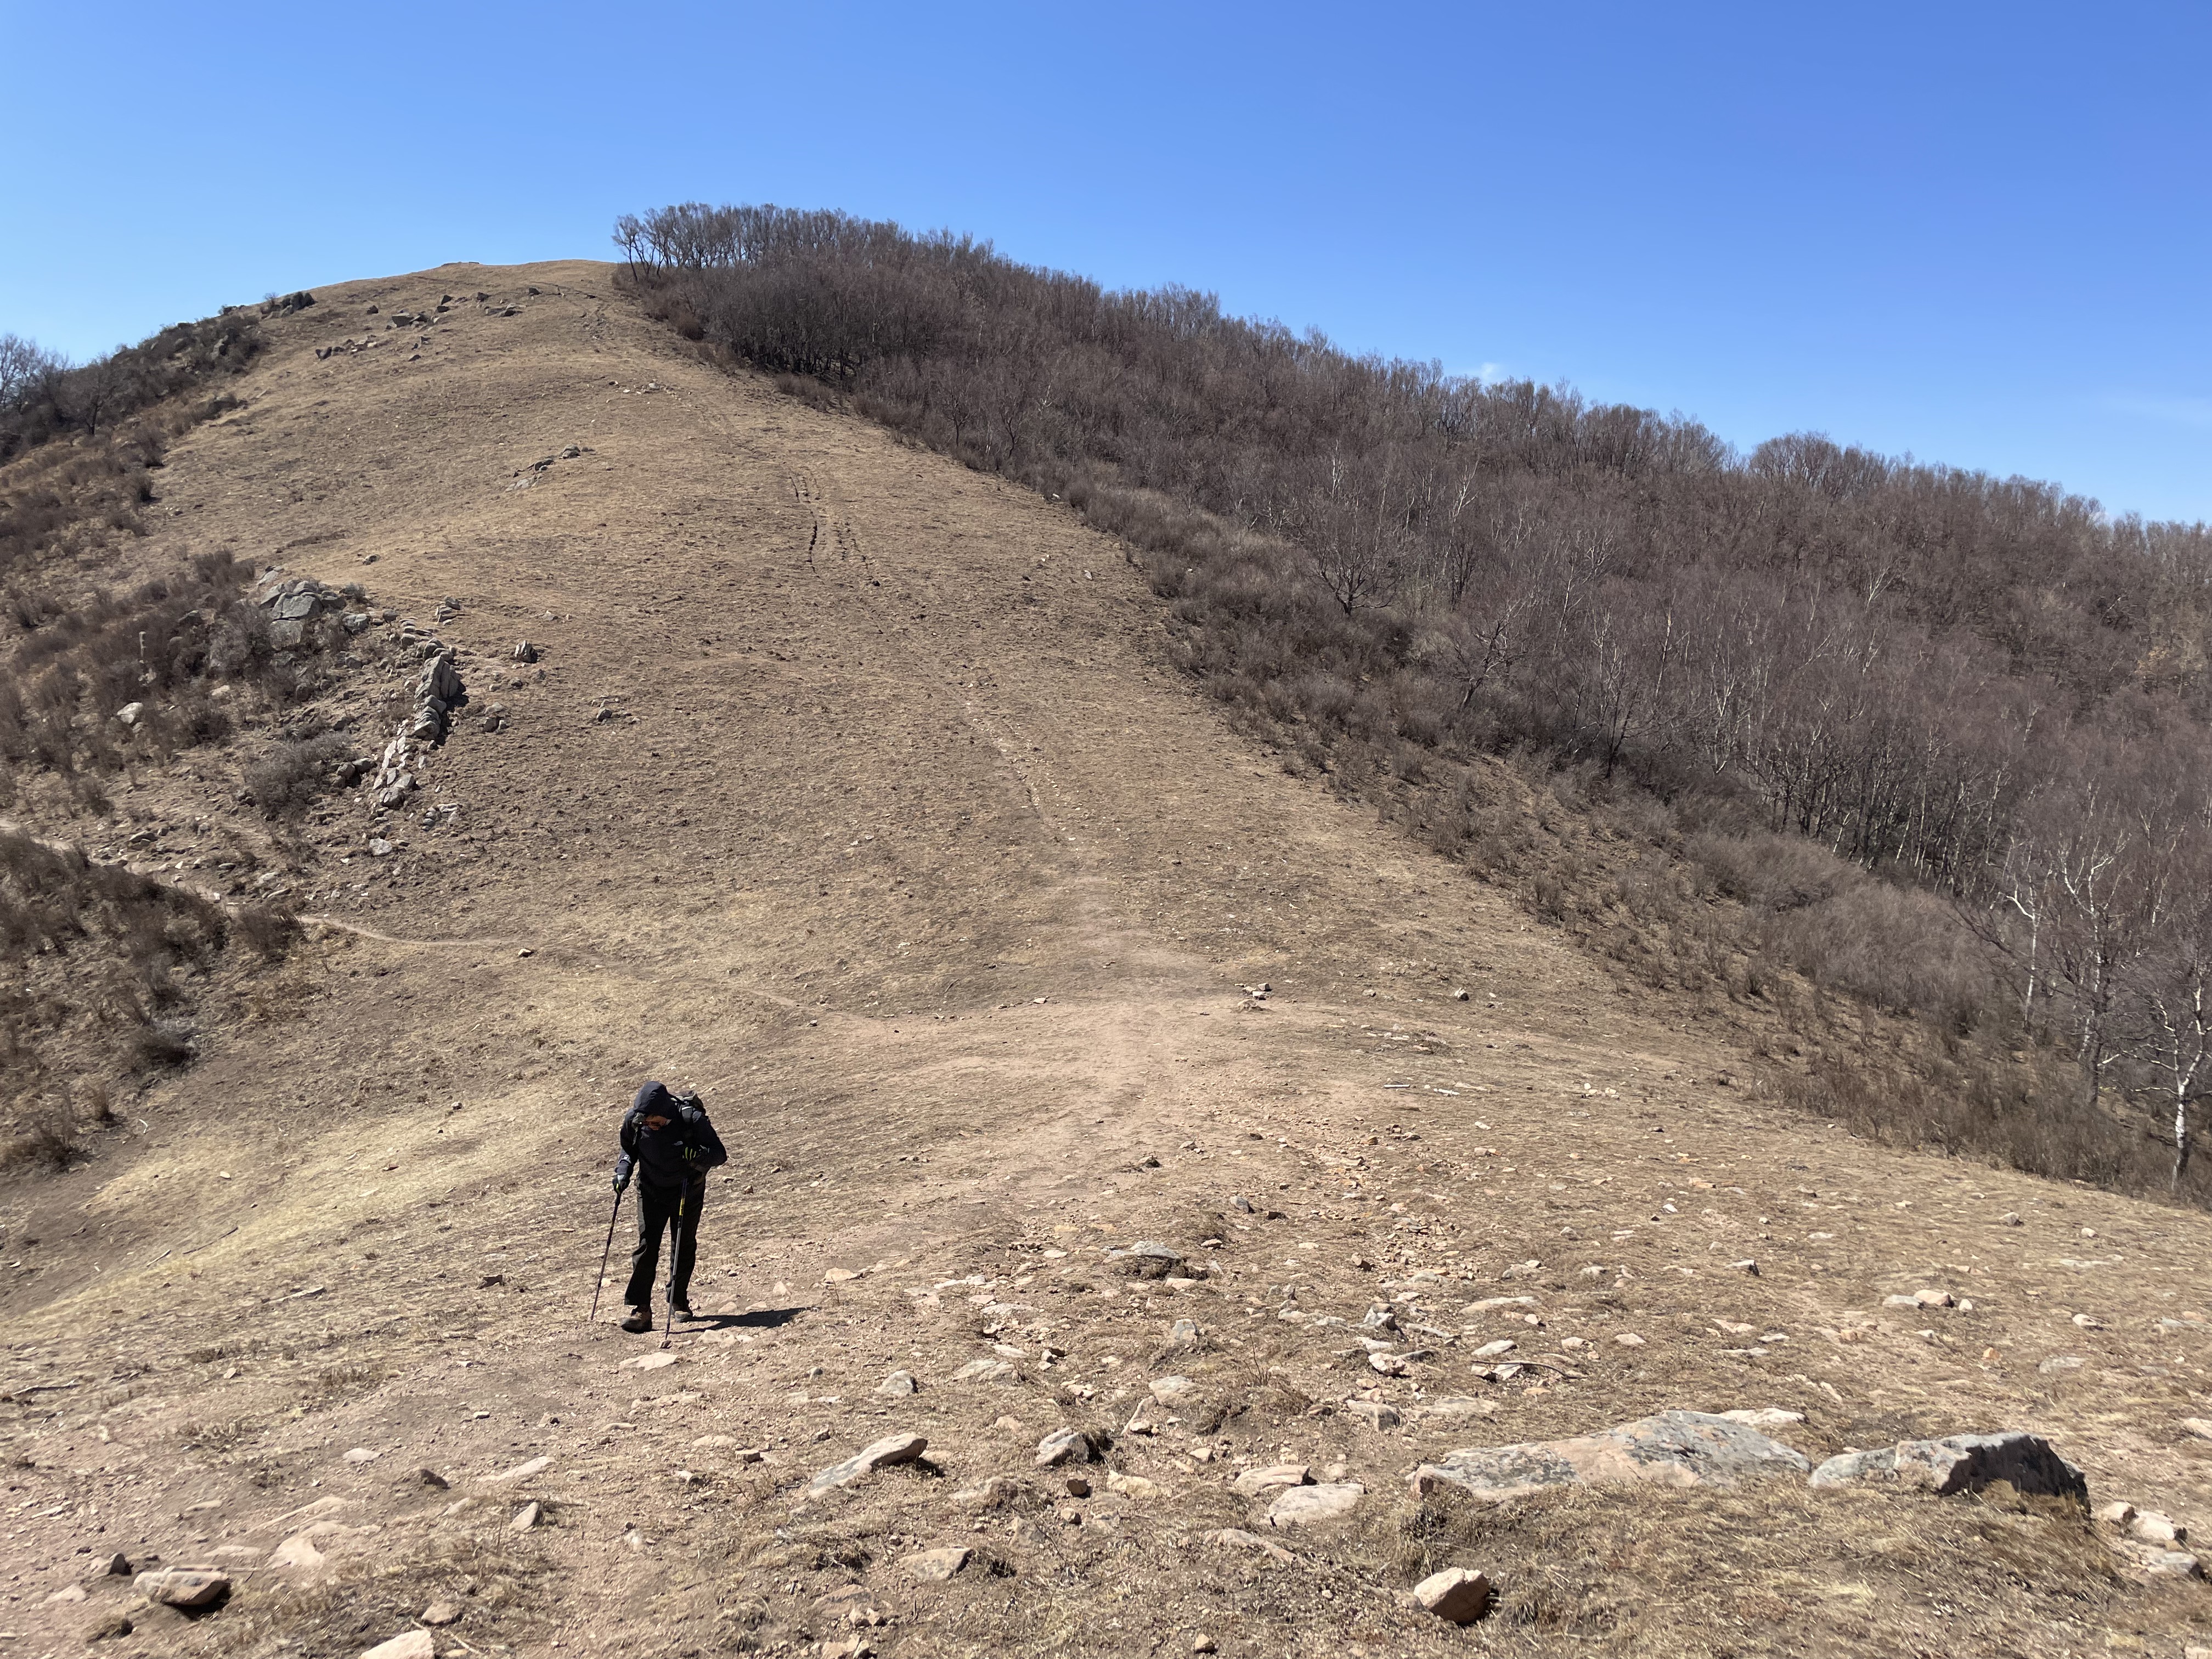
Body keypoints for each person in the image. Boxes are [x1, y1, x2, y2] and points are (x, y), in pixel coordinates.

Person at [611, 1080, 728, 1333]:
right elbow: (628, 1150)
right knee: (647, 1246)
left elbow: (719, 1154)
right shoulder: (635, 1121)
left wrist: (698, 1155)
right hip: (650, 1190)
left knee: (683, 1244)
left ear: (666, 1112)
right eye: (647, 1123)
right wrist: (623, 1171)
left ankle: (678, 1300)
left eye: (657, 1123)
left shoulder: (691, 1119)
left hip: (687, 1190)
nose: (652, 1126)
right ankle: (641, 1310)